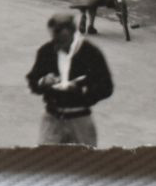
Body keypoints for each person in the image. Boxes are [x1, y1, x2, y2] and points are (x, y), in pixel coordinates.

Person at [26, 11, 114, 146]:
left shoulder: (90, 53)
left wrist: (83, 91)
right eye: (55, 39)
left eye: (63, 40)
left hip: (80, 119)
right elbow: (33, 80)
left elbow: (106, 86)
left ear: (72, 33)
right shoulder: (47, 51)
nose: (59, 45)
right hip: (52, 118)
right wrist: (43, 82)